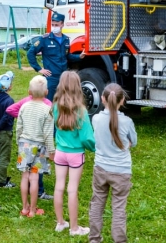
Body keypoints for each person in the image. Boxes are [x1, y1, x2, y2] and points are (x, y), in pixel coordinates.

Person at [89, 83, 137, 243]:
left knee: (97, 203)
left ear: (102, 99)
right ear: (122, 100)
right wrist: (127, 144)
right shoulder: (127, 122)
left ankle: (94, 239)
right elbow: (133, 142)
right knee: (119, 208)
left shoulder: (95, 119)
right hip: (121, 171)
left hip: (101, 168)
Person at [53, 71, 95, 236]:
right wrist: (95, 148)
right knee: (72, 189)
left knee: (59, 186)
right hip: (76, 154)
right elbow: (87, 138)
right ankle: (74, 228)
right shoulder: (81, 110)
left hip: (60, 152)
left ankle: (60, 223)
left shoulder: (55, 106)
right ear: (78, 87)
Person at [16, 75, 55, 218]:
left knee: (24, 176)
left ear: (29, 92)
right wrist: (52, 151)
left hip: (24, 144)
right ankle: (33, 210)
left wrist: (18, 143)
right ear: (46, 92)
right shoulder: (47, 109)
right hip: (39, 146)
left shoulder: (24, 106)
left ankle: (24, 208)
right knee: (34, 178)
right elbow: (48, 133)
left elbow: (19, 127)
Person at [27, 12, 85, 101]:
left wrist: (79, 57)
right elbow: (30, 53)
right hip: (51, 78)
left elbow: (67, 56)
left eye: (56, 25)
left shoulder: (66, 39)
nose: (54, 27)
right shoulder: (45, 39)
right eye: (53, 24)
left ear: (62, 24)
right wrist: (39, 69)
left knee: (64, 102)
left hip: (64, 78)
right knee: (50, 102)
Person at [0, 71, 15, 188]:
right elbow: (7, 117)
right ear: (8, 86)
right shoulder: (9, 101)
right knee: (4, 156)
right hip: (4, 131)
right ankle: (2, 181)